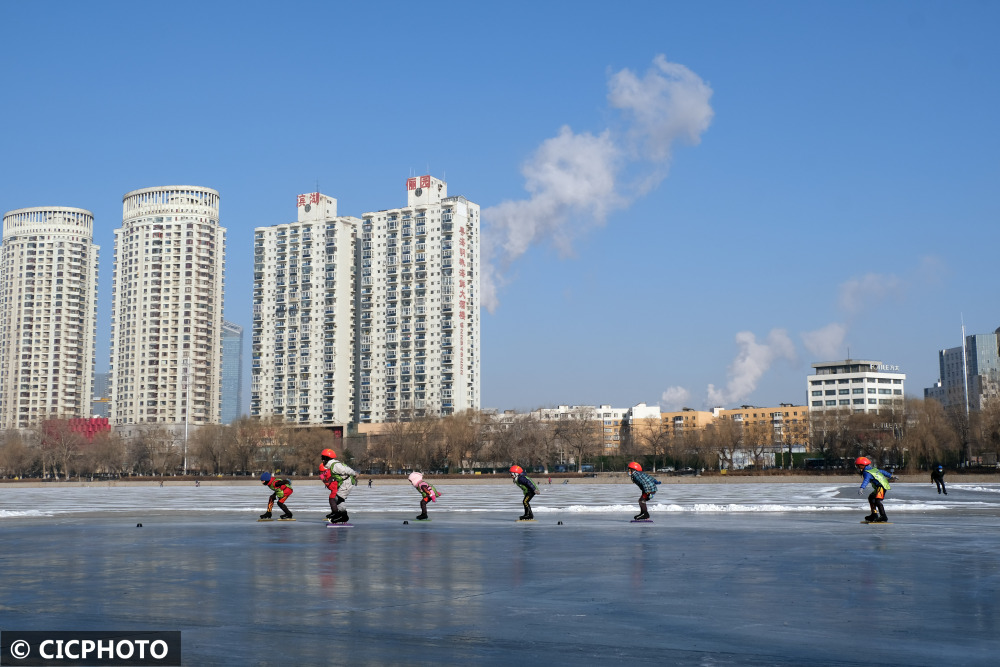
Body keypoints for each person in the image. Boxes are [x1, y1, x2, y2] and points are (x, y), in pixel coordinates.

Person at [319, 449, 358, 524]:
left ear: (327, 458)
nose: (322, 460)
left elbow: (346, 470)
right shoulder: (332, 465)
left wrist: (355, 473)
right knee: (338, 498)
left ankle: (342, 516)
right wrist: (329, 480)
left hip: (347, 482)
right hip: (344, 482)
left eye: (323, 458)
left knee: (338, 498)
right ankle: (341, 515)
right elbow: (335, 474)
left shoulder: (335, 465)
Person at [856, 456, 892, 522]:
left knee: (877, 501)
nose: (857, 468)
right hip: (879, 487)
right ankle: (874, 514)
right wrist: (891, 476)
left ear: (862, 465)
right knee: (871, 497)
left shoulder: (867, 472)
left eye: (858, 466)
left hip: (882, 487)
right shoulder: (873, 469)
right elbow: (882, 472)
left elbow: (866, 480)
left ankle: (883, 516)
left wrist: (862, 488)